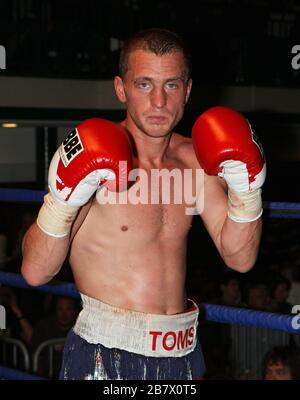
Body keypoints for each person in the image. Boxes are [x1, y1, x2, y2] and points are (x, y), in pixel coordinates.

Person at [21, 28, 265, 380]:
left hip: (182, 354)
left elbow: (240, 258)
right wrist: (60, 202)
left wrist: (247, 190)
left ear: (188, 90)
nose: (159, 102)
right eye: (144, 84)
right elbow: (35, 271)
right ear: (121, 88)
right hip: (106, 355)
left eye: (171, 85)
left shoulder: (195, 160)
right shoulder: (99, 160)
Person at [30, 296, 80, 378]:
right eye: (60, 309)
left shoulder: (82, 331)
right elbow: (35, 354)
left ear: (75, 311)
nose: (63, 314)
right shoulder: (44, 327)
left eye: (68, 309)